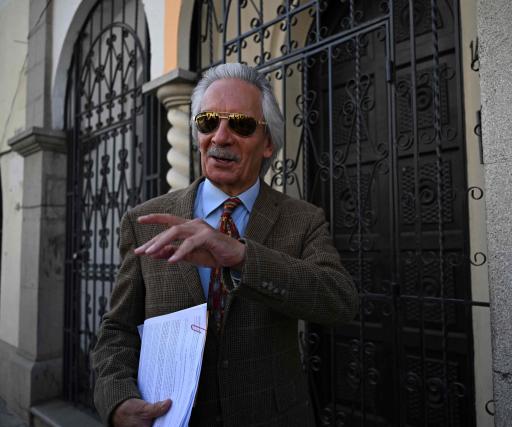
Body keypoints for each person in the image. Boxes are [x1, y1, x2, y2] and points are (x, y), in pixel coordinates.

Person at [91, 63, 359, 427]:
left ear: (268, 144)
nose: (220, 137)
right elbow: (117, 329)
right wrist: (116, 398)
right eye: (208, 122)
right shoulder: (146, 222)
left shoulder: (302, 219)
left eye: (241, 124)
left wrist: (242, 257)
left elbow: (340, 300)